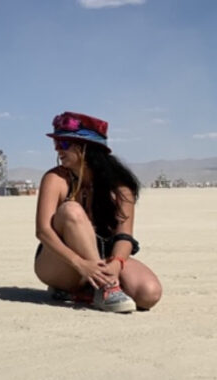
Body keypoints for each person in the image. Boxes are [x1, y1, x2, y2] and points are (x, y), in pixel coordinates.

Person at [34, 111, 162, 313]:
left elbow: (124, 236)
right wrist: (81, 264)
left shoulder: (120, 187)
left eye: (64, 143)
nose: (57, 148)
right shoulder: (55, 179)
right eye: (56, 142)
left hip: (105, 254)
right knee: (71, 210)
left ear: (87, 148)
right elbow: (43, 231)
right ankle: (106, 289)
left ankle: (83, 290)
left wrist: (117, 264)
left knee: (149, 293)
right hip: (60, 262)